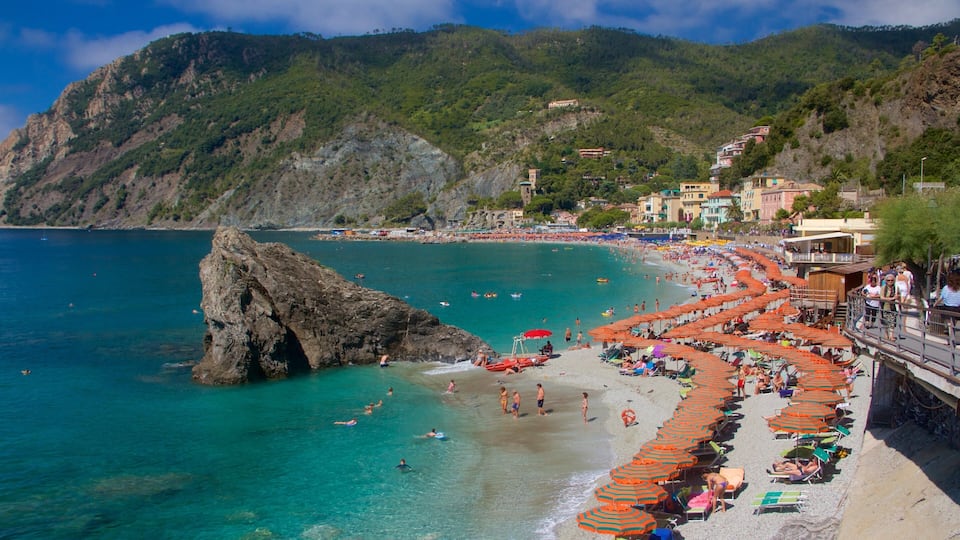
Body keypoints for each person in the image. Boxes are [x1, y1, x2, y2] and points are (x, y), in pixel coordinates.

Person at [880, 274, 898, 340]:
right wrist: (891, 298)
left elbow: (897, 296)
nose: (890, 281)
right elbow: (882, 297)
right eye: (888, 280)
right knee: (886, 322)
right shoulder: (883, 288)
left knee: (892, 322)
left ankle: (891, 336)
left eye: (892, 280)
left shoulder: (896, 288)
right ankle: (886, 334)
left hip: (893, 307)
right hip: (885, 307)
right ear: (886, 281)